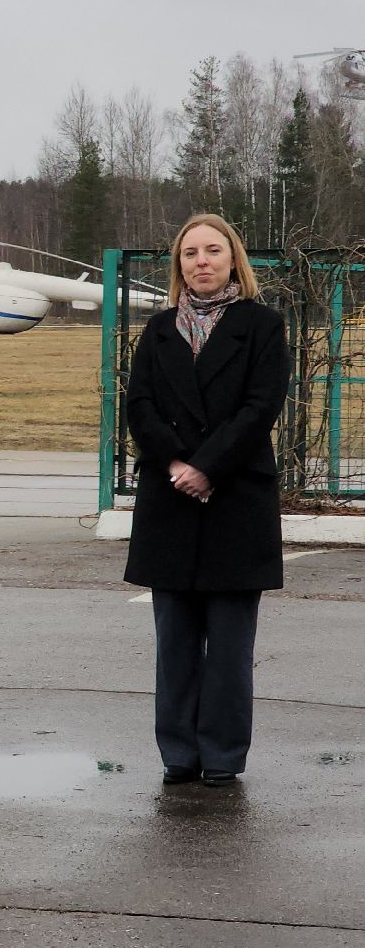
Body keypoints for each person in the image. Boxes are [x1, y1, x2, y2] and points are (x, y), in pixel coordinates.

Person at [123, 213, 289, 788]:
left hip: (235, 499)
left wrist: (206, 467)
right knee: (174, 641)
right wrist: (175, 463)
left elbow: (260, 407)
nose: (201, 262)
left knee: (230, 645)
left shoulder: (262, 326)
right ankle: (178, 751)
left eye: (213, 251)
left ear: (232, 258)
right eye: (190, 252)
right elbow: (140, 405)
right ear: (179, 264)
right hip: (169, 500)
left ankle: (221, 754)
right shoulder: (158, 329)